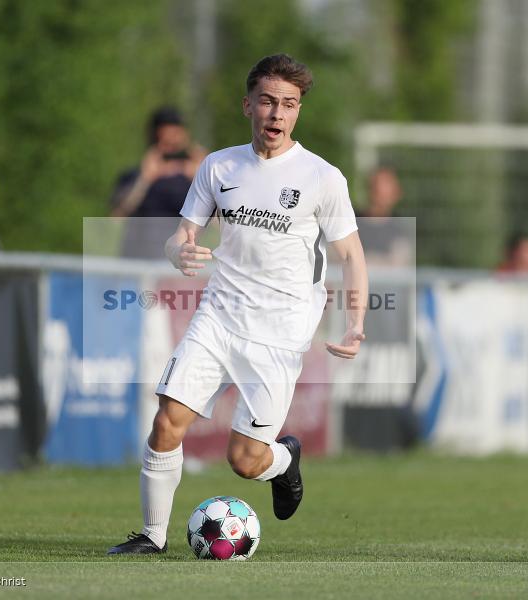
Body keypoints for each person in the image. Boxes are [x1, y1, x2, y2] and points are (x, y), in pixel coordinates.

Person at [108, 54, 368, 555]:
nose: (277, 113)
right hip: (219, 316)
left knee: (245, 460)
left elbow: (351, 255)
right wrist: (179, 252)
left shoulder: (322, 177)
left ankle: (284, 462)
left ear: (298, 112)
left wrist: (355, 320)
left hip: (280, 333)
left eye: (288, 104)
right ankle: (152, 536)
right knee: (167, 420)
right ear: (248, 105)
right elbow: (182, 234)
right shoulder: (219, 165)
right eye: (268, 101)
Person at [110, 107, 205, 259]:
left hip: (179, 264)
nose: (171, 150)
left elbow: (224, 223)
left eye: (176, 143)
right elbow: (116, 217)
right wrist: (145, 178)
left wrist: (205, 178)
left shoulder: (195, 182)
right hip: (138, 261)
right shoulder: (135, 177)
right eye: (165, 143)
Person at [356, 166, 413, 266]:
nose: (379, 188)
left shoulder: (401, 231)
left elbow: (400, 266)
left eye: (386, 184)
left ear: (396, 193)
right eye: (376, 184)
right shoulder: (351, 223)